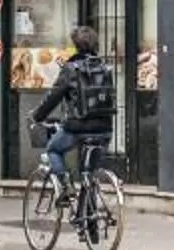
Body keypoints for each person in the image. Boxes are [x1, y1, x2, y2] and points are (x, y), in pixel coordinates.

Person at [30, 25, 118, 187]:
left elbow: (53, 97)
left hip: (78, 127)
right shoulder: (104, 67)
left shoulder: (70, 69)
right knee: (89, 173)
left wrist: (37, 116)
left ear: (75, 46)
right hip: (104, 129)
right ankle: (89, 210)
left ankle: (65, 187)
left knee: (53, 149)